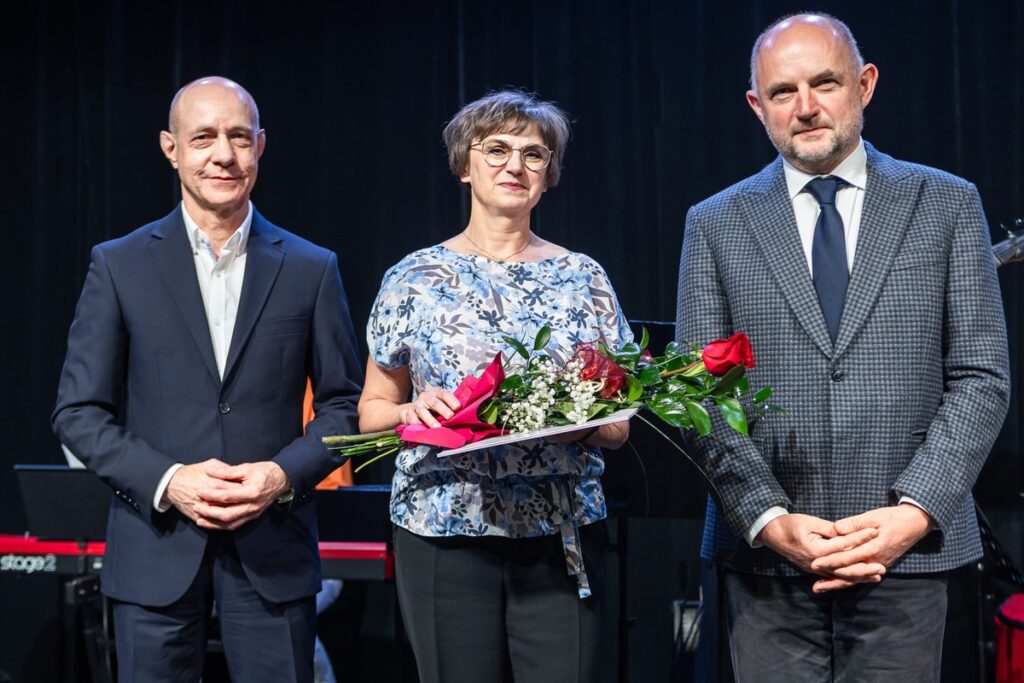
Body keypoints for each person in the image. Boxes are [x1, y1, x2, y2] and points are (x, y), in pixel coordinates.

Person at [676, 13, 1010, 682]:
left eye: (824, 83)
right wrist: (769, 518)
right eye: (782, 91)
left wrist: (913, 511)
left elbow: (982, 376)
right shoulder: (715, 222)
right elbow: (698, 392)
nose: (805, 108)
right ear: (756, 105)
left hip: (908, 554)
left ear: (865, 84)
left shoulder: (945, 203)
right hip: (767, 560)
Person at [52, 76, 363, 682]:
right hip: (155, 546)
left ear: (261, 146)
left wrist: (279, 477)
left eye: (239, 137)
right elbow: (77, 412)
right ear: (171, 148)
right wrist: (170, 480)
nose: (224, 154)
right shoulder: (119, 265)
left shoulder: (311, 268)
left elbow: (343, 408)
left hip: (273, 551)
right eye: (204, 137)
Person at [358, 89, 631, 682]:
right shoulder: (414, 277)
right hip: (442, 531)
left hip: (560, 534)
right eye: (497, 149)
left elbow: (617, 427)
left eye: (534, 155)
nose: (515, 165)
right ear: (465, 165)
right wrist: (412, 409)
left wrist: (576, 415)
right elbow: (371, 412)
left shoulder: (584, 278)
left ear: (550, 174)